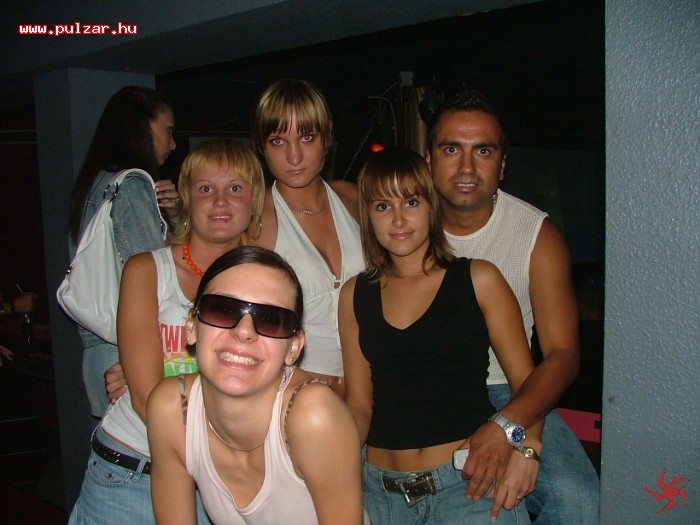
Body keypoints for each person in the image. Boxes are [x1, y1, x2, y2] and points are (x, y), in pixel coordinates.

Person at [339, 148, 542, 524]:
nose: (398, 218)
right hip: (381, 495)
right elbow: (359, 404)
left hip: (468, 488)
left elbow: (528, 384)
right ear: (367, 216)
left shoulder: (478, 279)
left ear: (432, 205)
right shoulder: (354, 294)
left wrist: (527, 449)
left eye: (411, 202)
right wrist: (332, 461)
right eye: (382, 206)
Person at [68, 139, 265, 524]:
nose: (220, 201)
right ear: (187, 199)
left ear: (254, 200)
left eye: (235, 188)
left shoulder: (266, 282)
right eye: (205, 188)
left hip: (221, 480)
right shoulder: (147, 270)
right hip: (133, 473)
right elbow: (147, 399)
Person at [425, 90, 600, 523]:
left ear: (502, 165)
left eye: (483, 151)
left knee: (578, 500)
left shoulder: (536, 234)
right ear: (429, 159)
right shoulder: (401, 224)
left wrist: (516, 433)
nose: (467, 167)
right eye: (452, 149)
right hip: (425, 383)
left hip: (511, 386)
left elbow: (563, 354)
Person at [147, 246, 367, 525]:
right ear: (191, 326)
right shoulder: (174, 408)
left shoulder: (314, 416)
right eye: (223, 310)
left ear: (293, 347)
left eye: (271, 319)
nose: (244, 331)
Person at [67, 85, 180, 418]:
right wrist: (178, 222)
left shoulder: (97, 182)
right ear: (143, 126)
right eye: (168, 130)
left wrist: (170, 215)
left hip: (99, 350)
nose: (173, 143)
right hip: (128, 353)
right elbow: (157, 279)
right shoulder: (132, 184)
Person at [250, 78, 364, 398]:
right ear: (261, 145)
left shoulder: (354, 199)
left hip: (372, 394)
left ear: (327, 136)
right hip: (296, 398)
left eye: (307, 137)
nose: (295, 156)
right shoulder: (254, 219)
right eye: (278, 141)